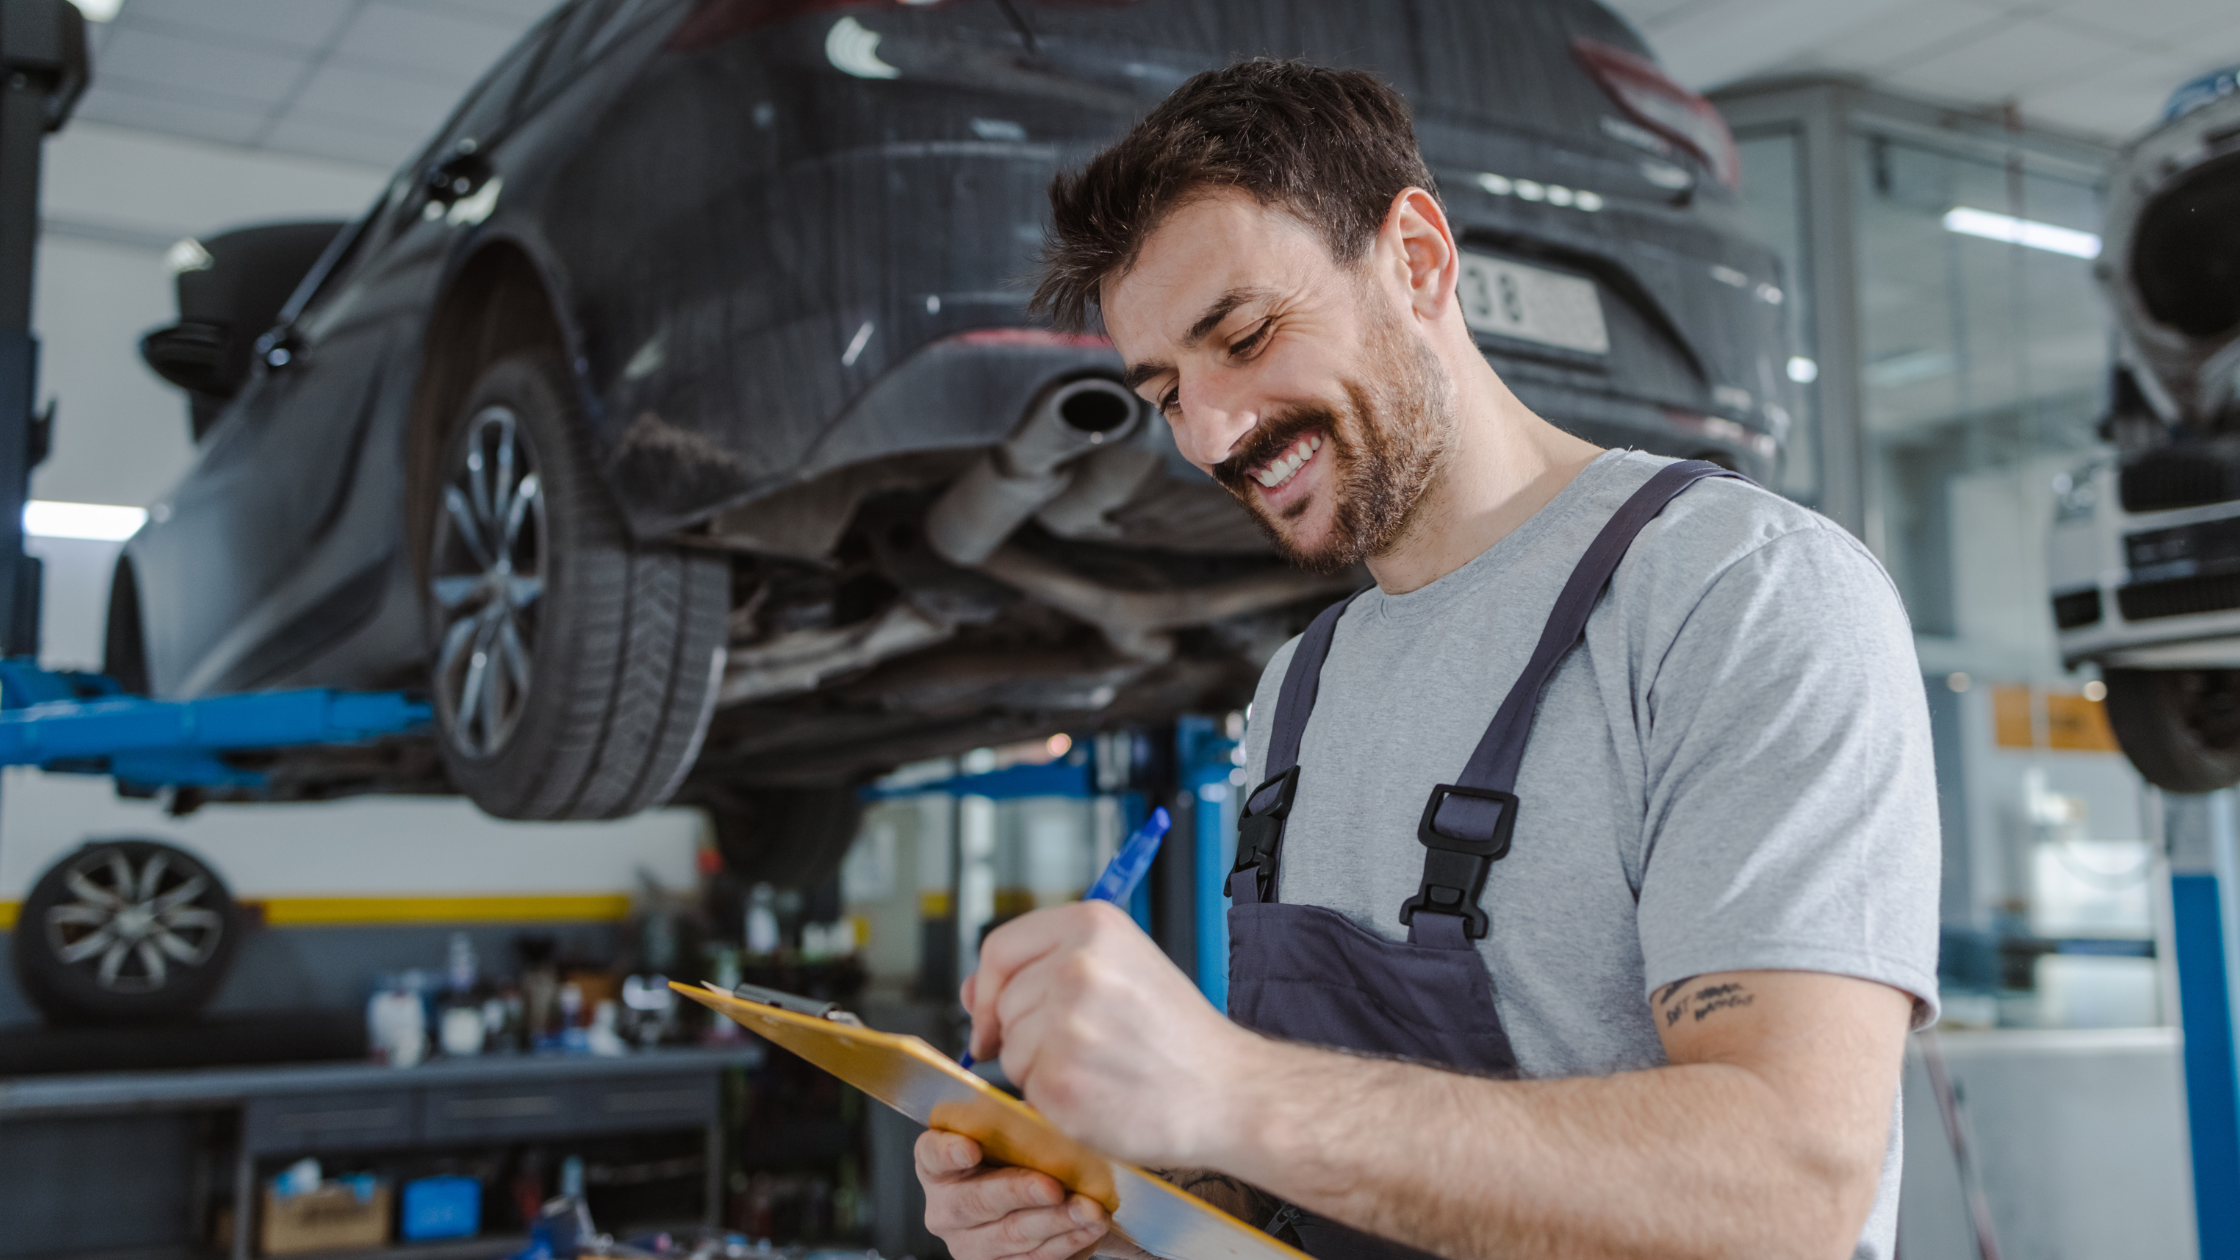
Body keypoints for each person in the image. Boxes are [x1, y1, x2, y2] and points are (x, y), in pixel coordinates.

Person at [916, 59, 1938, 1260]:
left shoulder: (1734, 592)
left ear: (1413, 259)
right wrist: (1118, 1211)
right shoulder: (1300, 688)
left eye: (1241, 337)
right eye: (1164, 394)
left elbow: (1787, 1184)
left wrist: (1236, 1091)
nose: (1210, 434)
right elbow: (1336, 1171)